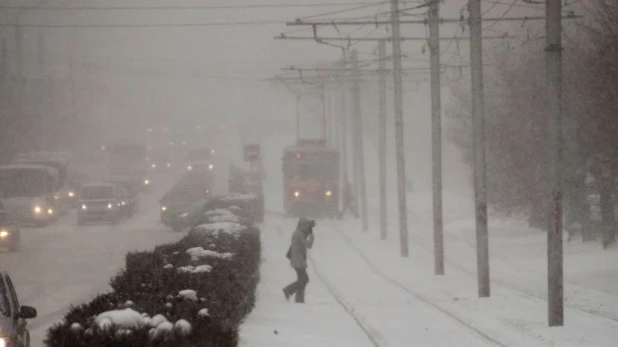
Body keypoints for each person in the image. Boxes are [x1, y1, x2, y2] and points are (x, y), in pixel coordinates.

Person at [283, 218, 315, 303]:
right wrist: (312, 236)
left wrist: (309, 230)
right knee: (304, 279)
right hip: (298, 261)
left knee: (302, 280)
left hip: (297, 260)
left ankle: (299, 300)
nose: (306, 227)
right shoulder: (299, 234)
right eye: (306, 225)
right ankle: (288, 290)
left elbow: (303, 240)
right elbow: (308, 245)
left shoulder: (297, 233)